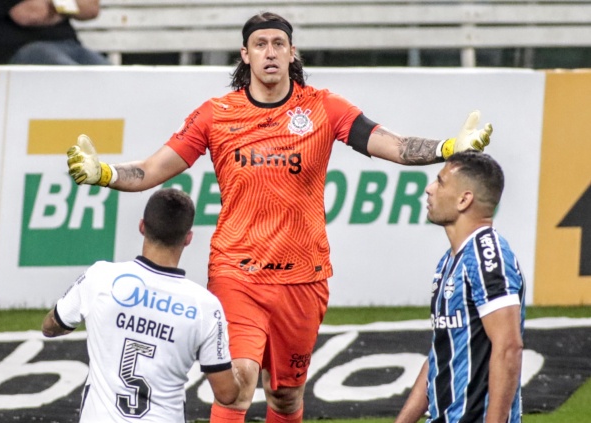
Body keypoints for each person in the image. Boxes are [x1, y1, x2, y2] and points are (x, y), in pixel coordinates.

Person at [65, 12, 493, 423]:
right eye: (260, 44)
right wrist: (104, 173)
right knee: (238, 384)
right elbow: (152, 171)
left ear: (292, 54)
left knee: (285, 395)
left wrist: (447, 148)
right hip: (237, 273)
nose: (269, 52)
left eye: (278, 44)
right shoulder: (215, 115)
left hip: (303, 279)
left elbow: (393, 145)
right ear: (245, 55)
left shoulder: (325, 108)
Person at [41, 188, 239, 422]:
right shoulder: (205, 306)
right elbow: (227, 394)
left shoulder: (100, 277)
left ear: (142, 226)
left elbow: (50, 326)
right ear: (188, 238)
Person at [395, 151, 526, 423]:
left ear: (465, 199)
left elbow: (509, 347)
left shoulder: (488, 257)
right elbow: (442, 352)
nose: (429, 189)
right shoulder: (451, 260)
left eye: (440, 182)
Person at [0, 0, 110, 65]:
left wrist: (51, 6)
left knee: (113, 77)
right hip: (23, 48)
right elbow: (29, 13)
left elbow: (91, 8)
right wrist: (68, 7)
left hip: (71, 45)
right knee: (74, 78)